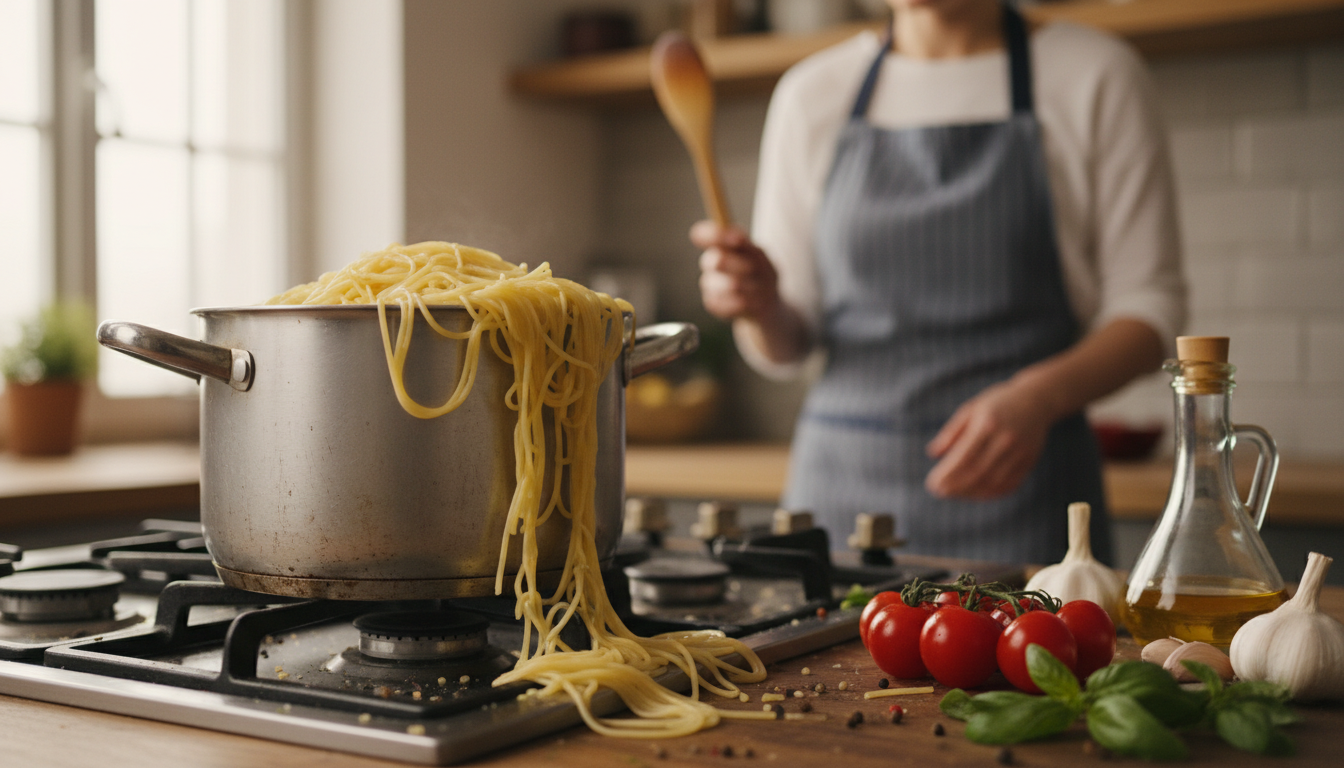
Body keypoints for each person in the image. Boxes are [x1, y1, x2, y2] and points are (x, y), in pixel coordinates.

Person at [693, 0, 1185, 564]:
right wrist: (759, 307)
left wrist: (1039, 397)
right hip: (840, 501)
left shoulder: (1096, 74)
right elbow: (784, 347)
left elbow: (1150, 309)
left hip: (1027, 498)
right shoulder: (812, 93)